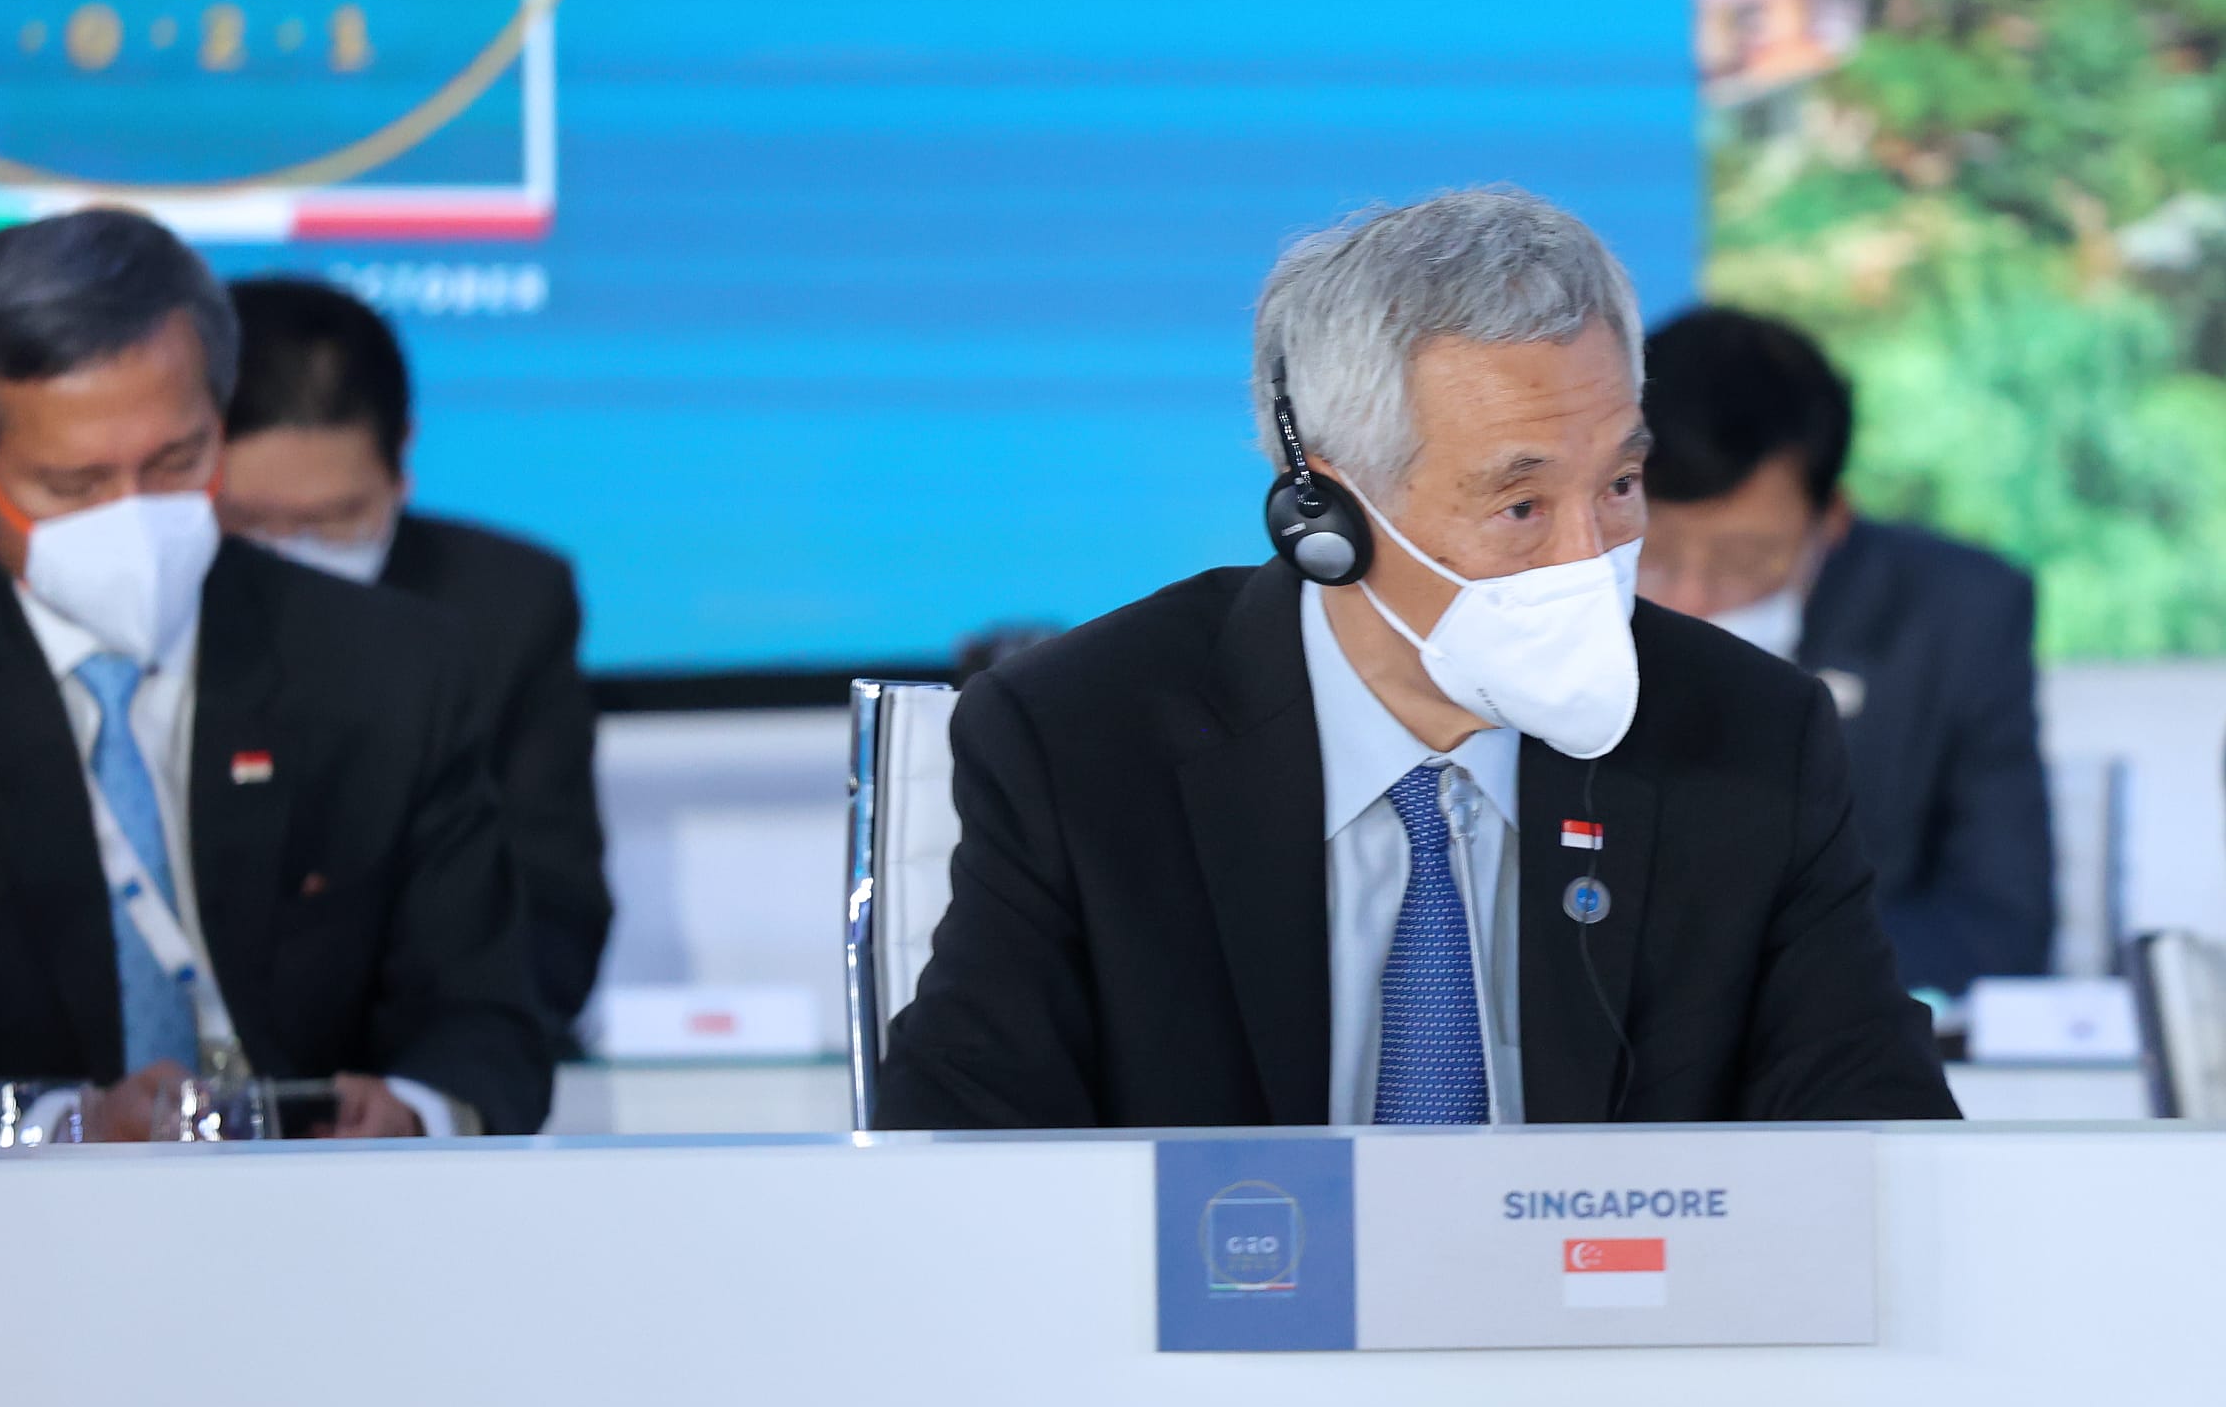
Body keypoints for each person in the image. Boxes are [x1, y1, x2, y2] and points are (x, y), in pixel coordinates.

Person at [874, 188, 1956, 1130]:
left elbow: (1881, 1151)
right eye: (1521, 504)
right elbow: (968, 1170)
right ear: (1328, 516)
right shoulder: (1078, 738)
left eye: (1621, 486)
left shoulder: (1752, 735)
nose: (1593, 558)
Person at [0, 209, 555, 1144]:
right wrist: (62, 1127)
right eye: (75, 485)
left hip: (341, 1234)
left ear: (220, 418)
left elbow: (491, 1027)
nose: (134, 521)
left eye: (176, 462)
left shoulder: (390, 665)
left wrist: (413, 1113)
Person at [214, 276, 608, 1044]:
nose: (293, 562)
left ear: (401, 458)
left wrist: (419, 1093)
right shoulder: (147, 604)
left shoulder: (507, 606)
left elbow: (555, 927)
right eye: (251, 525)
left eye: (334, 521)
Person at [1637, 308, 2054, 997]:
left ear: (1830, 522)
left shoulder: (1958, 615)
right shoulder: (1530, 598)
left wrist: (1734, 972)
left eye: (1744, 560)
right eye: (1651, 552)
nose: (1690, 597)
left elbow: (1997, 927)